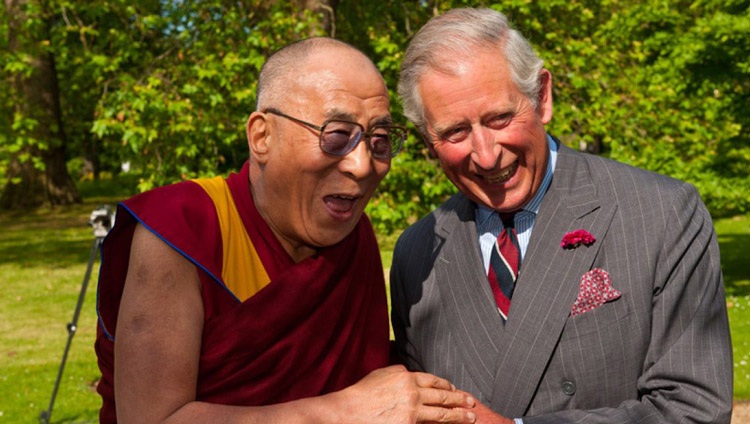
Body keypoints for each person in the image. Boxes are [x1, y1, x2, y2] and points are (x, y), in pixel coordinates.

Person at [94, 37, 479, 424]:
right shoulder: (183, 229)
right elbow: (151, 419)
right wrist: (341, 413)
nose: (363, 166)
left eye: (379, 141)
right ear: (262, 136)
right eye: (337, 136)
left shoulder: (353, 236)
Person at [391, 7, 732, 424]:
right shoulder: (416, 254)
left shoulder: (661, 214)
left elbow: (694, 410)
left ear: (542, 97)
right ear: (429, 141)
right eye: (455, 133)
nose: (485, 154)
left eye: (500, 118)